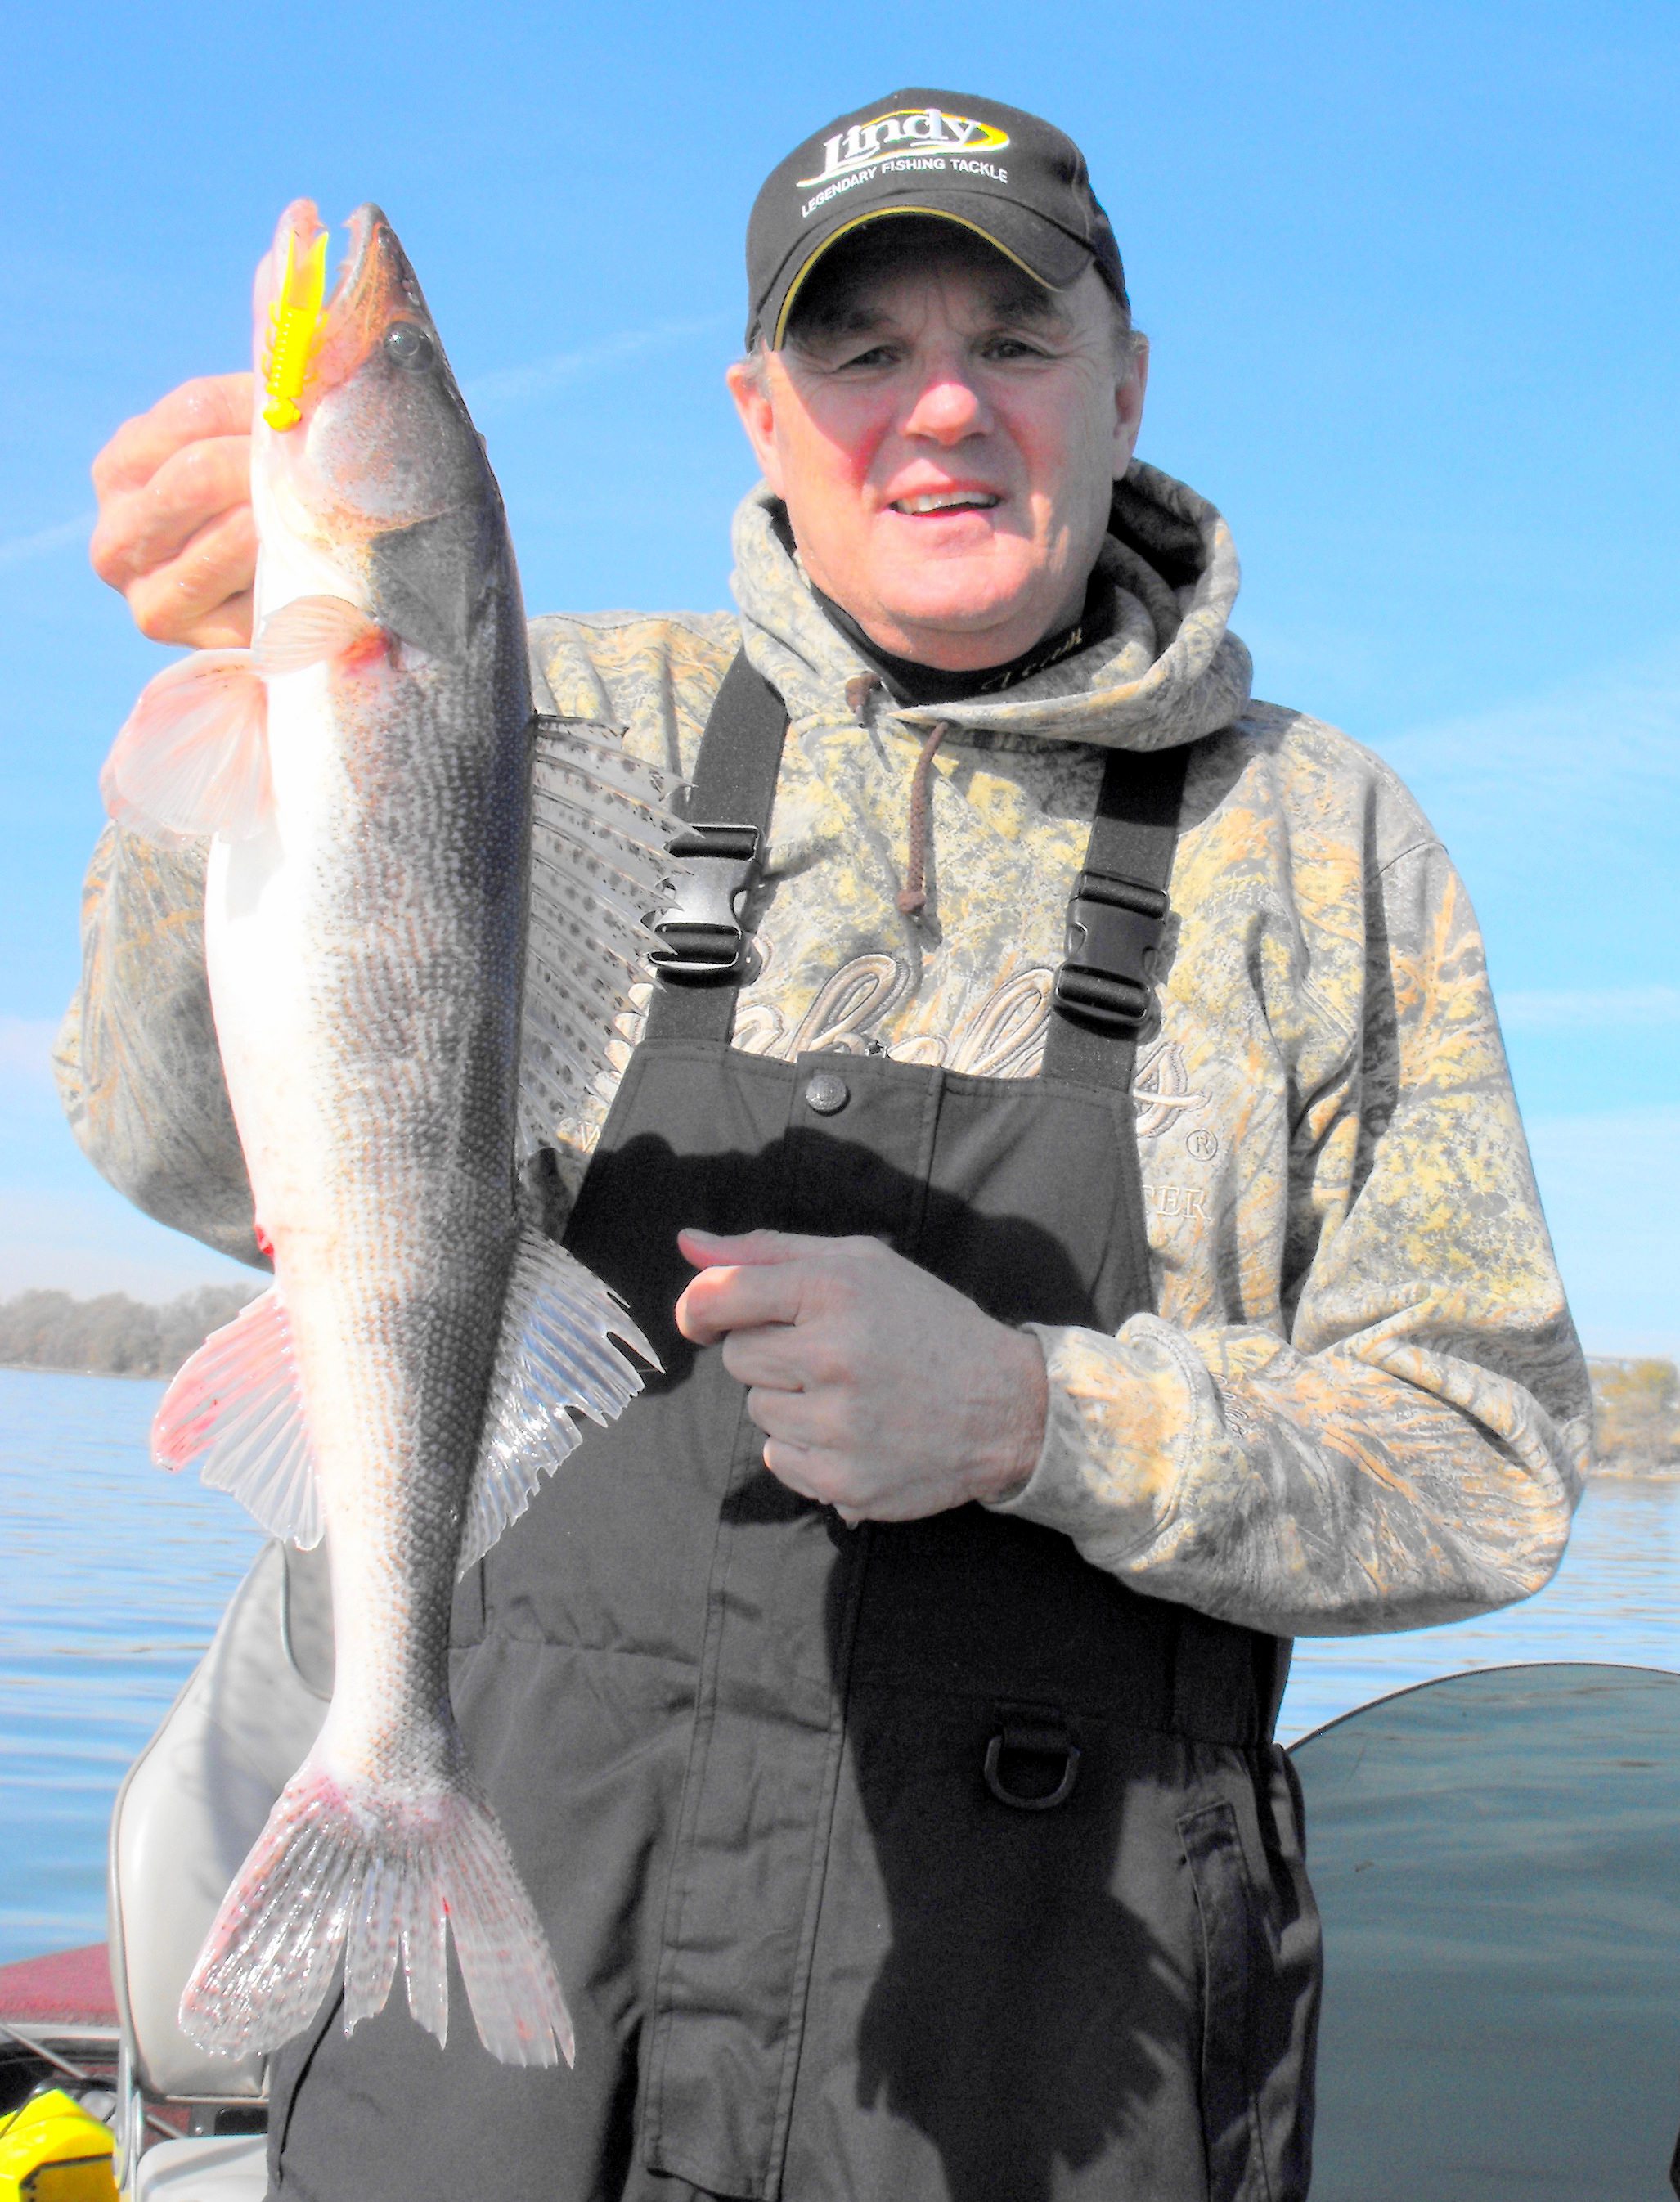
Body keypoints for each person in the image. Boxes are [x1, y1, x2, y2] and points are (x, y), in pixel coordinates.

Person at [65, 88, 1590, 2202]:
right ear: (759, 417)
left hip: (1043, 2065)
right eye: (862, 350)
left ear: (1126, 386)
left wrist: (1041, 1418)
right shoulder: (547, 716)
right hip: (509, 2038)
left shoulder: (1324, 843)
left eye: (1015, 339)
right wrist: (229, 715)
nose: (942, 407)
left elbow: (1491, 1470)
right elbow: (173, 1147)